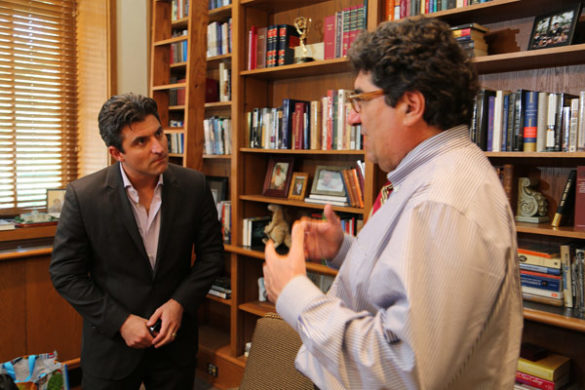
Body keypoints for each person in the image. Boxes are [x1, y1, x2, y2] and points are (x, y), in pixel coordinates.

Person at [263, 17, 523, 389]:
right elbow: (407, 282)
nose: (353, 117)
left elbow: (403, 369)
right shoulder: (433, 178)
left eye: (361, 100)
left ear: (411, 105)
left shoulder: (442, 201)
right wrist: (344, 249)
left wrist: (295, 295)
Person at [50, 94, 224, 389]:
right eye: (141, 142)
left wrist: (179, 303)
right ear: (117, 153)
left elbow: (212, 257)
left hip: (174, 346)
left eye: (158, 133)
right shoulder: (84, 196)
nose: (158, 147)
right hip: (111, 349)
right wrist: (120, 321)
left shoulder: (194, 186)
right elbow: (65, 274)